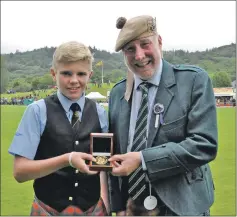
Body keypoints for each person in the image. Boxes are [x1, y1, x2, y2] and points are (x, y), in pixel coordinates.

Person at [108, 15, 218, 216]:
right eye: (130, 49)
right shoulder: (118, 94)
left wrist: (143, 159)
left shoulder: (193, 80)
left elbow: (204, 145)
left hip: (184, 206)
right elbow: (114, 151)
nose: (139, 56)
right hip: (134, 208)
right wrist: (118, 206)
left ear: (159, 42)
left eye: (145, 44)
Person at [8, 41, 110, 216]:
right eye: (66, 73)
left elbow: (101, 164)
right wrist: (67, 159)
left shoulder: (100, 113)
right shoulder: (37, 111)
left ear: (90, 75)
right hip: (48, 209)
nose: (74, 80)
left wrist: (105, 203)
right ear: (53, 74)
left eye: (81, 74)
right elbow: (20, 171)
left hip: (92, 209)